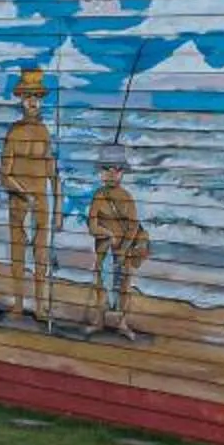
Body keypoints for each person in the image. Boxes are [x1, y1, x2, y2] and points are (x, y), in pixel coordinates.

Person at [0, 67, 59, 321]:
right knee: (18, 251)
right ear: (21, 99)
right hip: (19, 200)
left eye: (36, 96)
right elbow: (4, 175)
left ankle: (40, 305)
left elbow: (53, 172)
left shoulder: (44, 132)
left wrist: (58, 208)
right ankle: (19, 303)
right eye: (27, 96)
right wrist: (24, 194)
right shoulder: (14, 132)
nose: (32, 101)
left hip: (41, 200)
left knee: (41, 254)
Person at [87, 142, 151, 341]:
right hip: (104, 249)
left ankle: (122, 322)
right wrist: (106, 233)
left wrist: (123, 248)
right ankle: (99, 319)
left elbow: (133, 226)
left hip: (124, 250)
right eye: (107, 169)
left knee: (124, 286)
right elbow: (92, 225)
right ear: (101, 172)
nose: (111, 174)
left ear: (122, 173)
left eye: (116, 170)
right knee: (101, 285)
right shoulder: (98, 196)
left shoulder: (126, 197)